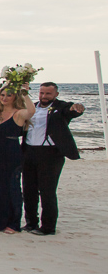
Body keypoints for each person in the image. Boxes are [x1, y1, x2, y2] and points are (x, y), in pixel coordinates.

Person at [22, 82, 85, 235]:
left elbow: (72, 110)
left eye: (48, 94)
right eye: (42, 93)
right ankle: (31, 223)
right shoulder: (32, 107)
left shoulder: (61, 107)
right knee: (28, 190)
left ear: (56, 94)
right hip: (29, 151)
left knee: (47, 191)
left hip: (51, 154)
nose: (44, 96)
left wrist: (76, 108)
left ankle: (48, 227)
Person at [0, 85, 36, 234]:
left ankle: (12, 223)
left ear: (15, 98)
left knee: (10, 187)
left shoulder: (18, 114)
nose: (4, 98)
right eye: (2, 95)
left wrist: (24, 92)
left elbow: (31, 111)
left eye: (8, 95)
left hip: (10, 153)